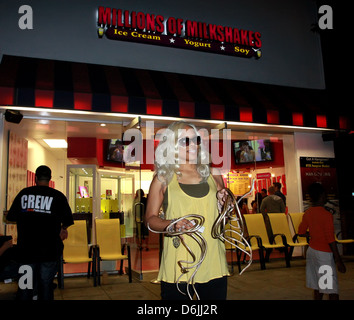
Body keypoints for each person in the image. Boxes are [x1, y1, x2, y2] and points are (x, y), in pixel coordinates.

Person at [145, 121, 230, 300]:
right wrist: (171, 224)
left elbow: (226, 215)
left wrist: (227, 204)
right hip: (179, 262)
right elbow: (151, 219)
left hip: (213, 260)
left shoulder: (213, 173)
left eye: (196, 140)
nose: (193, 145)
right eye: (185, 141)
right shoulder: (163, 178)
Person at [7, 165, 74, 300]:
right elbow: (68, 219)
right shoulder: (58, 196)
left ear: (36, 178)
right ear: (49, 179)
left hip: (26, 251)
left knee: (25, 287)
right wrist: (63, 228)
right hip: (49, 251)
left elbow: (10, 217)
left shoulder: (24, 194)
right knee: (46, 286)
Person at [298, 182, 346, 300]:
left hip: (312, 252)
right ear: (322, 195)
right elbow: (330, 239)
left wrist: (313, 234)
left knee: (318, 286)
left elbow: (301, 231)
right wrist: (338, 259)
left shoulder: (308, 213)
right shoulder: (326, 215)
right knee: (331, 288)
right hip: (324, 255)